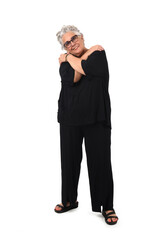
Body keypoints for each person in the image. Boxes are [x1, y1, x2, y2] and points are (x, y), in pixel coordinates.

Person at [54, 25, 119, 225]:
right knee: (69, 162)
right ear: (64, 47)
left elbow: (86, 68)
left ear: (81, 37)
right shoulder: (67, 62)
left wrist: (70, 57)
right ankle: (69, 200)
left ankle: (106, 206)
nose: (72, 43)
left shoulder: (98, 54)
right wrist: (78, 58)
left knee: (100, 163)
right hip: (69, 118)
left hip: (96, 117)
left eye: (74, 38)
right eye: (67, 43)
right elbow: (73, 77)